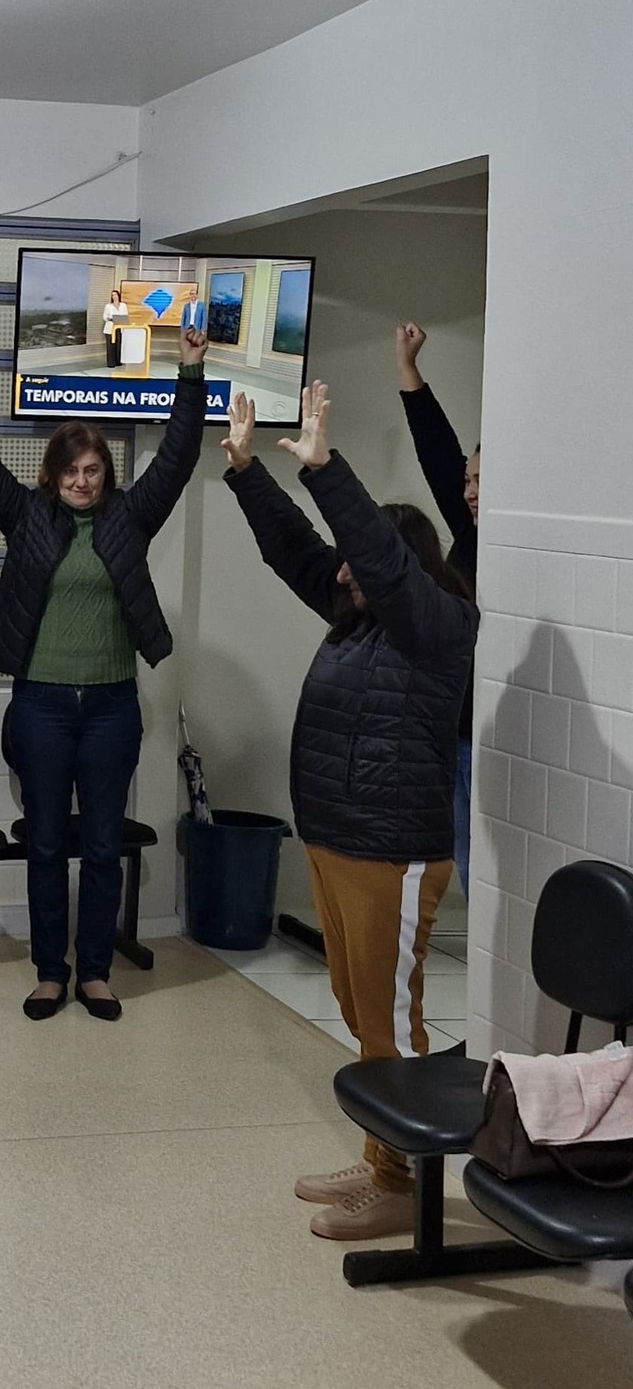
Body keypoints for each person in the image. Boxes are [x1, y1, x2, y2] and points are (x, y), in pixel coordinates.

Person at [222, 379, 478, 1244]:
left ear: (396, 565)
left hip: (392, 852)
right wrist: (248, 472)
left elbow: (371, 553)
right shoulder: (357, 617)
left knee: (392, 1022)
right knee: (360, 1009)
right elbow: (299, 550)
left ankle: (404, 1185)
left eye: (358, 561)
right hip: (338, 843)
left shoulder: (438, 625)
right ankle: (379, 1159)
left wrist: (327, 467)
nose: (341, 572)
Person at [0, 323, 207, 1021]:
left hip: (110, 708)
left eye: (92, 471)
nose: (81, 481)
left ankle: (94, 972)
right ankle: (50, 972)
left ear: (106, 474)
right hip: (40, 703)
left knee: (101, 845)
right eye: (70, 472)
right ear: (52, 475)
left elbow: (178, 458)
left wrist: (190, 374)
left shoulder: (130, 517)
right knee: (44, 843)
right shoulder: (26, 516)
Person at [396, 320, 479, 897]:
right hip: (453, 723)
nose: (469, 491)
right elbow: (439, 454)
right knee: (465, 856)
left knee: (481, 866)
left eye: (480, 481)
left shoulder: (512, 546)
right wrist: (409, 370)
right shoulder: (471, 534)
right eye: (468, 480)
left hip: (486, 731)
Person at [102, 288, 124, 370]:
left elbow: (125, 315)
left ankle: (118, 361)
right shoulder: (108, 306)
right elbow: (104, 317)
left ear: (118, 296)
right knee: (111, 346)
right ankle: (111, 363)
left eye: (115, 295)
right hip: (110, 329)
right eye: (112, 295)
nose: (114, 296)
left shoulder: (123, 305)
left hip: (119, 328)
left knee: (118, 345)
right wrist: (111, 319)